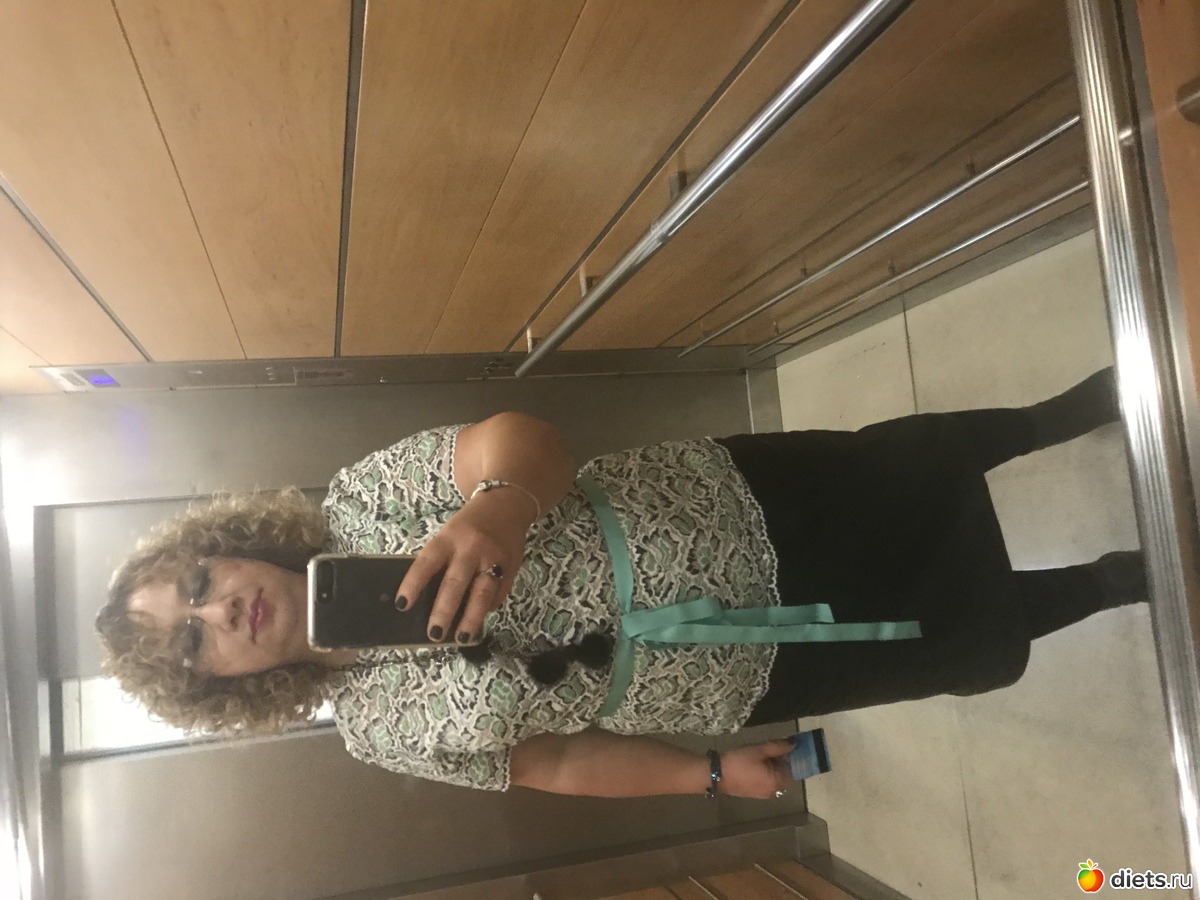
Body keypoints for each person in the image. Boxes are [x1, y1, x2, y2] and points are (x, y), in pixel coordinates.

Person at [95, 367, 1145, 801]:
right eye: (194, 638)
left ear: (226, 546)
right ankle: (1116, 583)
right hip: (729, 673)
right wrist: (706, 775)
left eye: (198, 581)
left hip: (723, 506)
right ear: (223, 685)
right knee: (936, 637)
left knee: (904, 471)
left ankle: (1075, 411)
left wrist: (499, 505)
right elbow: (553, 762)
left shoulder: (365, 497)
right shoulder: (377, 735)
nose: (219, 608)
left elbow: (517, 440)